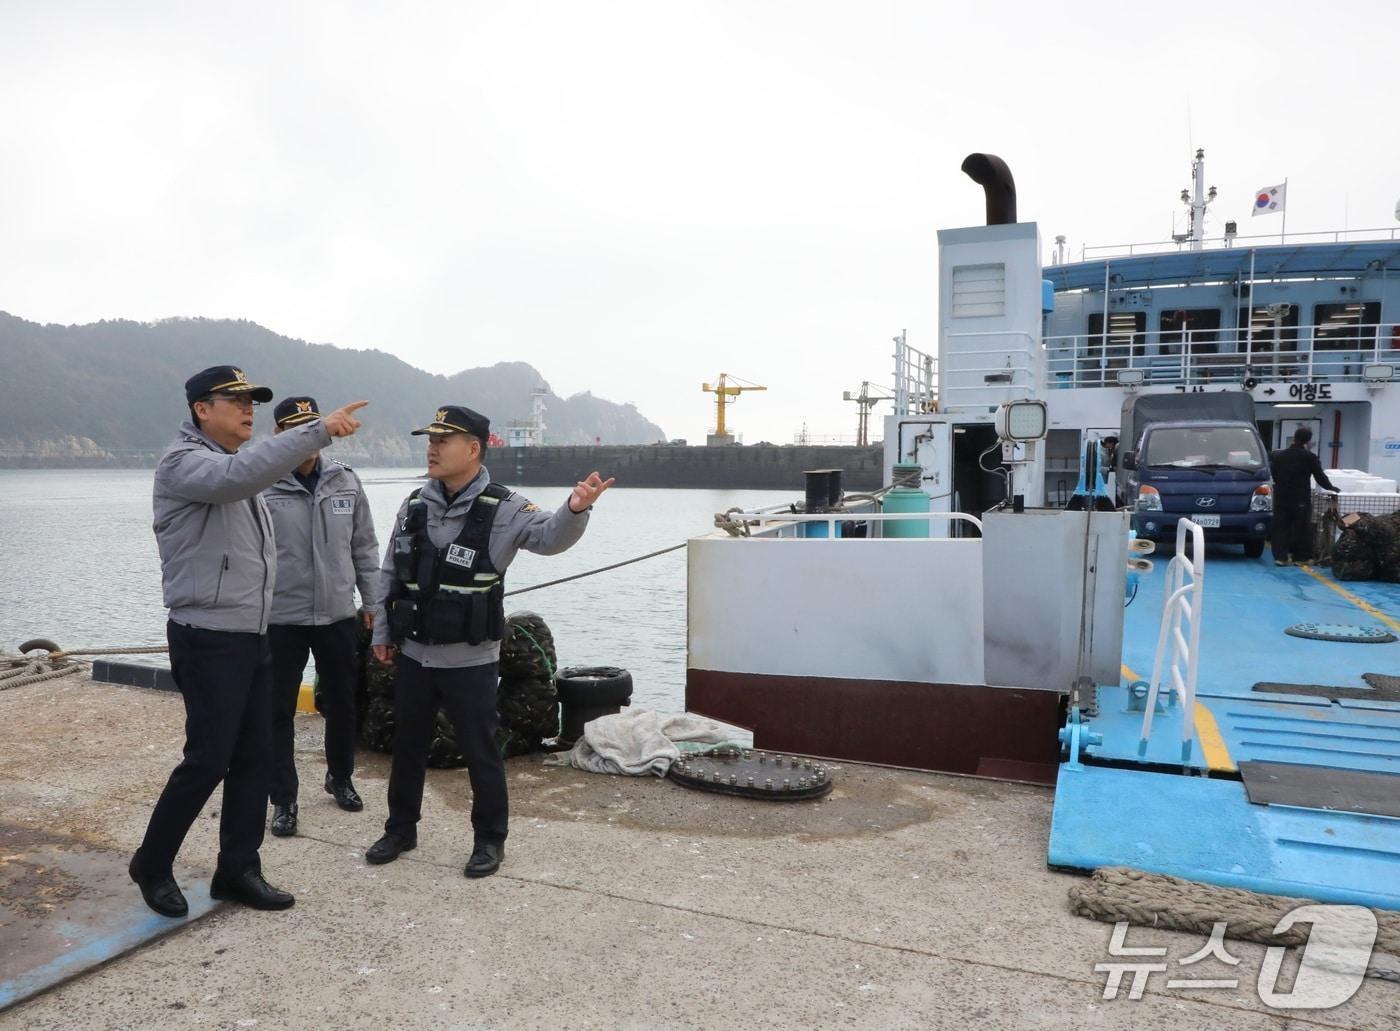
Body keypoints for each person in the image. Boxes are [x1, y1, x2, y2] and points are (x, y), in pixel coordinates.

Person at [129, 366, 366, 918]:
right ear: (201, 410)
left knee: (255, 757)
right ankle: (153, 861)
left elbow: (246, 479)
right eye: (234, 399)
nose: (247, 408)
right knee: (208, 758)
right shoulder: (185, 464)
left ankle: (238, 868)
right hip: (208, 635)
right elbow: (236, 477)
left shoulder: (240, 468)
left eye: (251, 400)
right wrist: (316, 432)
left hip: (253, 632)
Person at [365, 405, 613, 878]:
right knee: (408, 744)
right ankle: (400, 829)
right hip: (414, 652)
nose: (432, 448)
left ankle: (489, 840)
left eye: (444, 440)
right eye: (429, 439)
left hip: (472, 659)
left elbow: (548, 538)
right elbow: (390, 571)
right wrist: (382, 631)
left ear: (474, 449)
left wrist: (576, 509)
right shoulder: (415, 503)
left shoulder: (508, 508)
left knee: (481, 749)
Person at [262, 396, 380, 838]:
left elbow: (365, 548)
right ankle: (283, 798)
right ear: (278, 436)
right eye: (294, 428)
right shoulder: (260, 484)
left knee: (342, 702)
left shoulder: (345, 481)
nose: (306, 437)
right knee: (277, 710)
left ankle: (340, 778)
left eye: (312, 426)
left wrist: (372, 603)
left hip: (336, 615)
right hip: (280, 618)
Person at [1268, 427, 1338, 566]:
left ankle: (1280, 557)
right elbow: (1320, 477)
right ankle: (1300, 558)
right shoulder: (1310, 457)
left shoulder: (1279, 456)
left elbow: (1274, 474)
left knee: (1281, 527)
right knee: (1301, 527)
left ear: (1294, 437)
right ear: (1309, 440)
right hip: (1300, 497)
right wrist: (1332, 488)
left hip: (1281, 496)